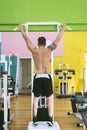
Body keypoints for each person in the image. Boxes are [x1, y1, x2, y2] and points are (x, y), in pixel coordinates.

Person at [19, 23, 67, 126]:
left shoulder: (34, 50)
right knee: (49, 98)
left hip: (38, 76)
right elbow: (57, 39)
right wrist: (63, 28)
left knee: (36, 99)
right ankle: (50, 119)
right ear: (45, 43)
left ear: (38, 43)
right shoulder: (49, 49)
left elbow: (26, 39)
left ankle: (35, 119)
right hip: (46, 76)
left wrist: (21, 29)